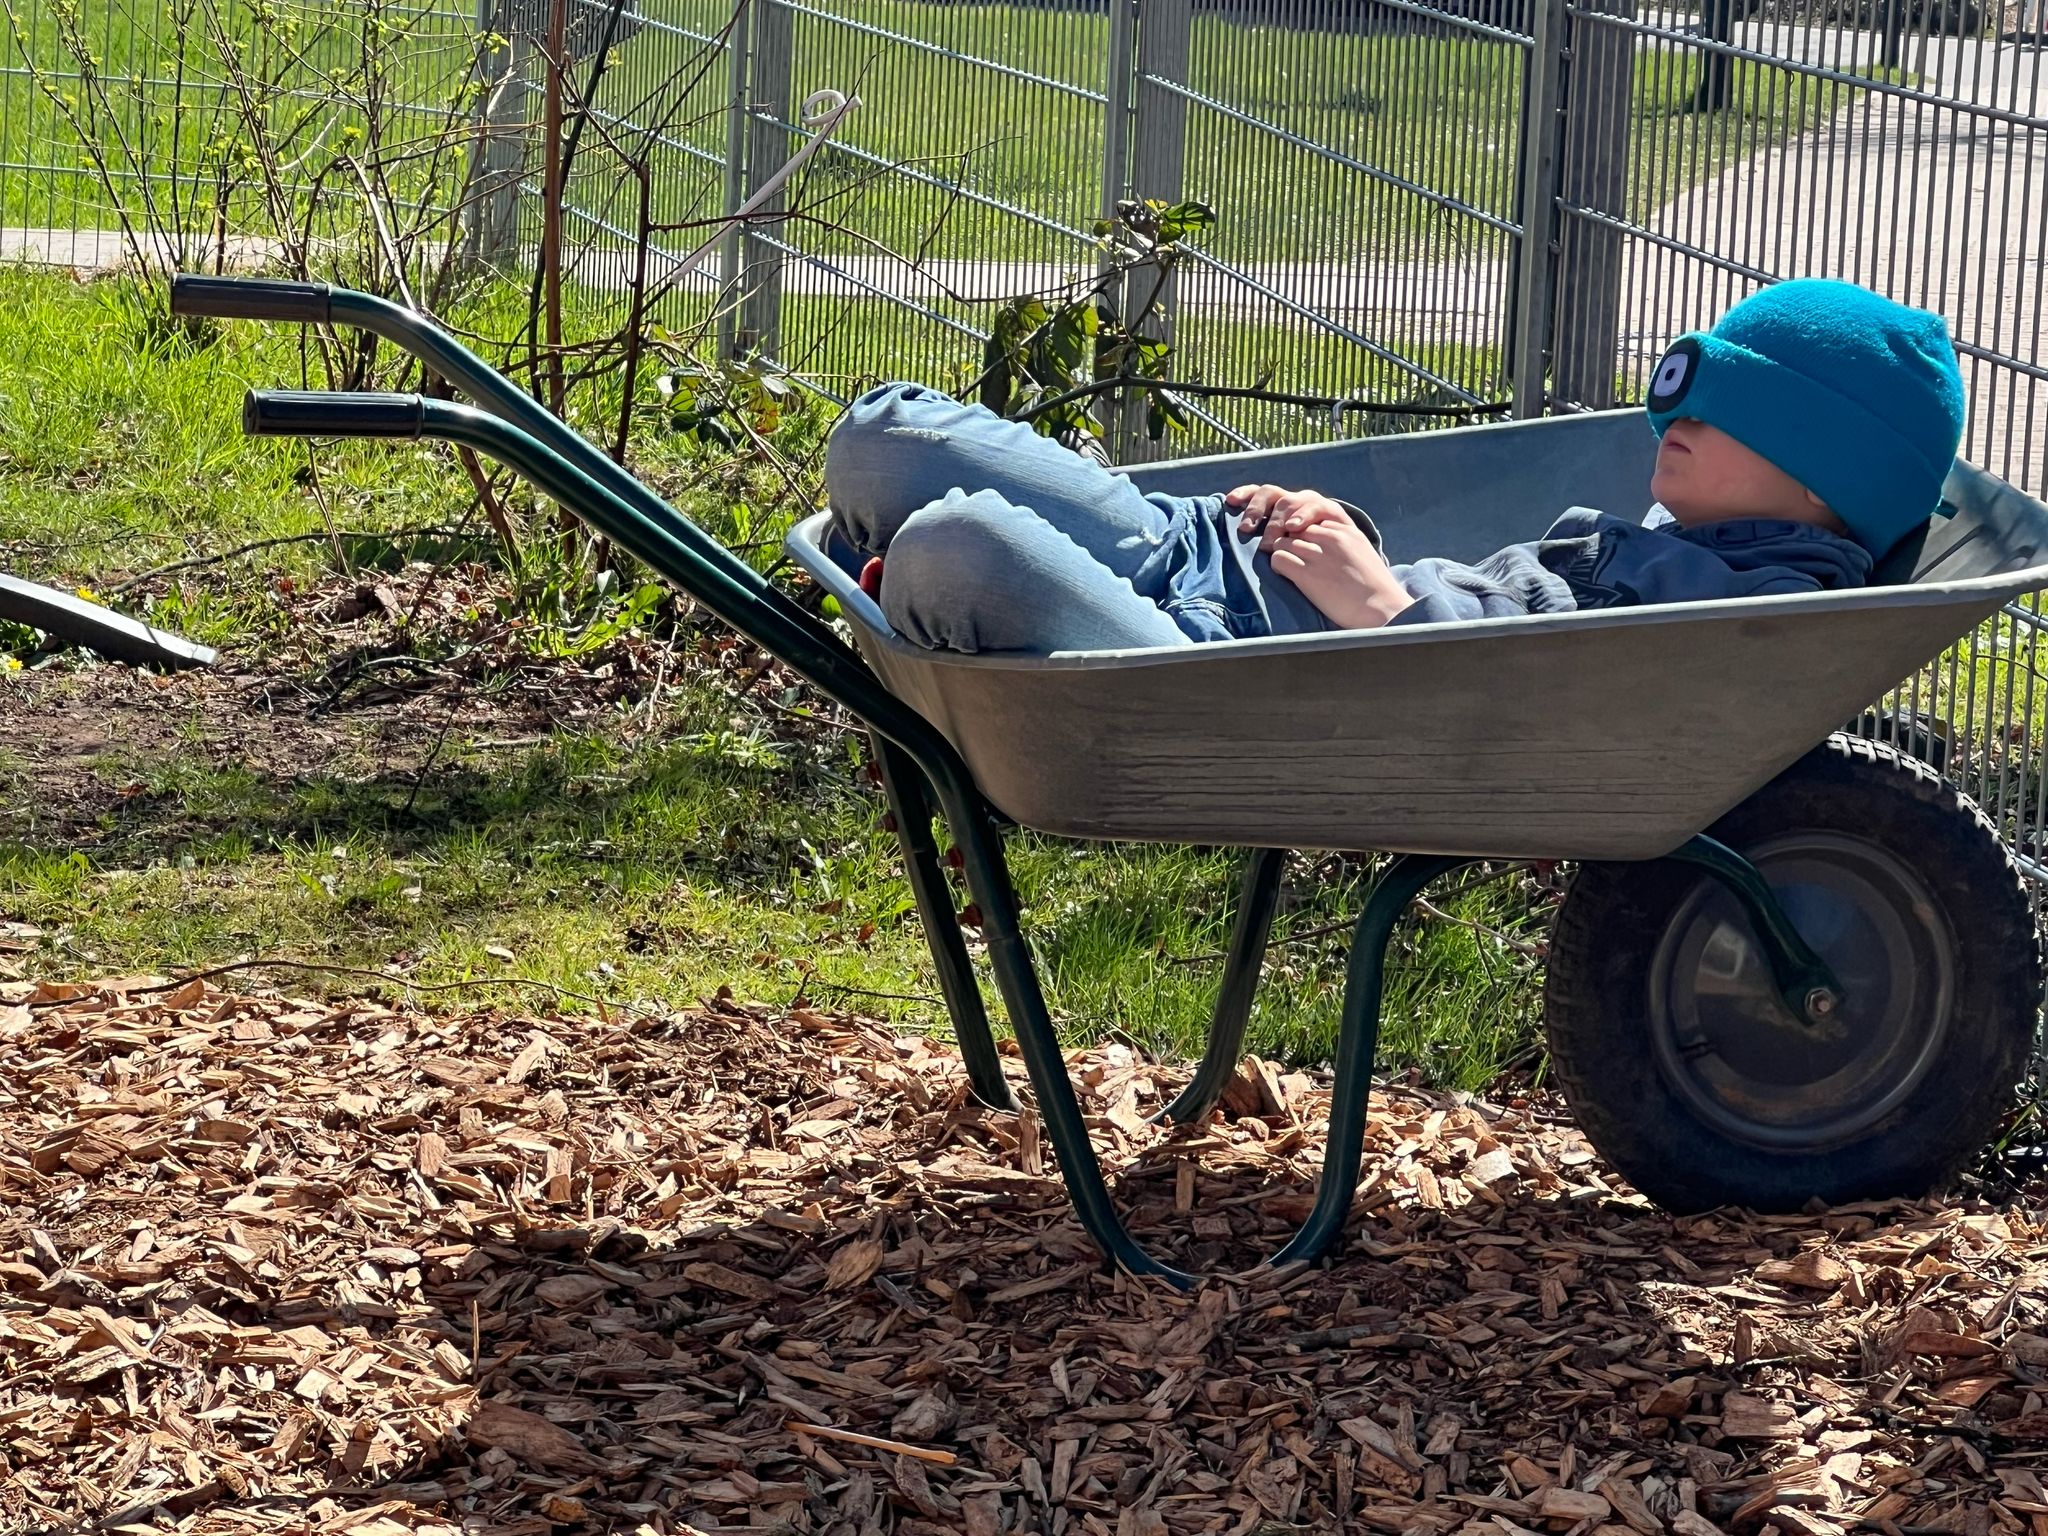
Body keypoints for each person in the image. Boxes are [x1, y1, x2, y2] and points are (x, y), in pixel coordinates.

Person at [824, 279, 1966, 654]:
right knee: (884, 435)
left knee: (953, 546)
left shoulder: (1762, 615)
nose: (1680, 414)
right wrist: (1343, 532)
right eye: (1686, 388)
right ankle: (931, 600)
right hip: (1230, 563)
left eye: (1734, 410)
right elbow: (1472, 586)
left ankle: (934, 593)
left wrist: (1381, 610)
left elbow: (1533, 722)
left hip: (1217, 670)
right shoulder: (1689, 542)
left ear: (1825, 475)